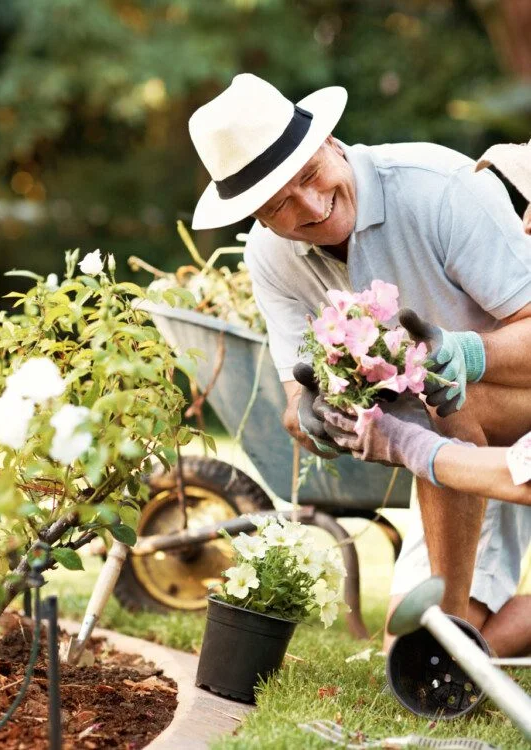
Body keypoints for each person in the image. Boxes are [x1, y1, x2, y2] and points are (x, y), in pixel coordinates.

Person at [188, 74, 531, 656]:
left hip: (508, 402)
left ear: (331, 142)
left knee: (447, 393)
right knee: (407, 633)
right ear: (258, 218)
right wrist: (317, 415)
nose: (310, 205)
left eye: (308, 176)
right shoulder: (270, 257)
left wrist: (468, 353)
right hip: (446, 454)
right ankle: (447, 640)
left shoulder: (439, 191)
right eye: (278, 205)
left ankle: (446, 641)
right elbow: (296, 400)